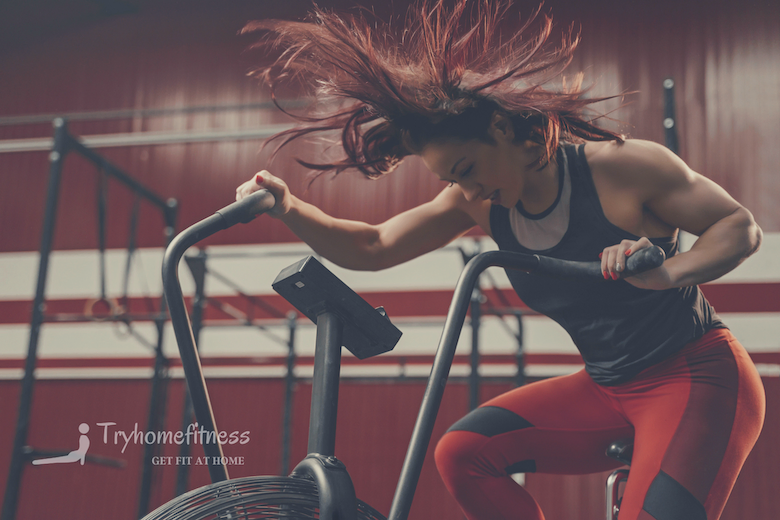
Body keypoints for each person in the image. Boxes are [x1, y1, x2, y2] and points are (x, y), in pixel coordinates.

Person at [235, 1, 765, 519]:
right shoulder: (478, 201)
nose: (467, 188)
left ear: (502, 130)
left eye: (467, 167)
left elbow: (738, 227)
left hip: (697, 378)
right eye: (452, 179)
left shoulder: (622, 168)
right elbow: (373, 247)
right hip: (608, 388)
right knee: (462, 454)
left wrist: (667, 272)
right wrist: (289, 207)